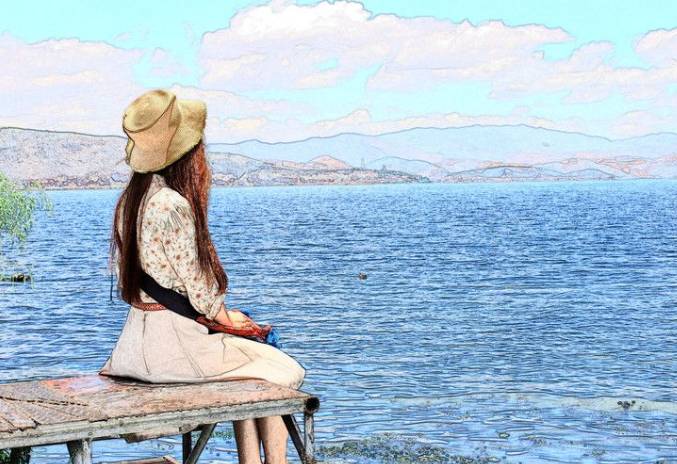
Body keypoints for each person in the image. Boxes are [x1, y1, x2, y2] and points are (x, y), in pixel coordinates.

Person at [99, 89, 305, 464]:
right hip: (173, 351)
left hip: (134, 348)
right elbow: (200, 292)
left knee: (250, 373)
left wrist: (224, 317)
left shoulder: (130, 201)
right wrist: (229, 319)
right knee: (283, 369)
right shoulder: (171, 204)